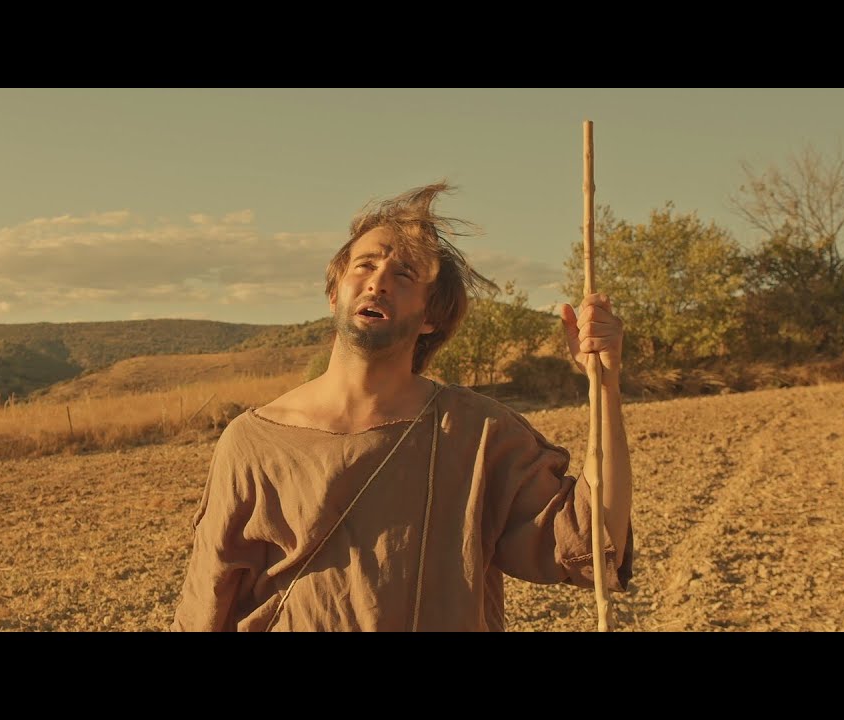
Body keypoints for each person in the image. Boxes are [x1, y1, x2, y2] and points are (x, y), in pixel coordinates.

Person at [170, 181, 633, 631]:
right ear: (334, 293)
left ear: (431, 316)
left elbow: (592, 540)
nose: (377, 283)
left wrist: (605, 385)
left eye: (404, 275)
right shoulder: (253, 441)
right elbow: (206, 600)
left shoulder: (476, 433)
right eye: (364, 266)